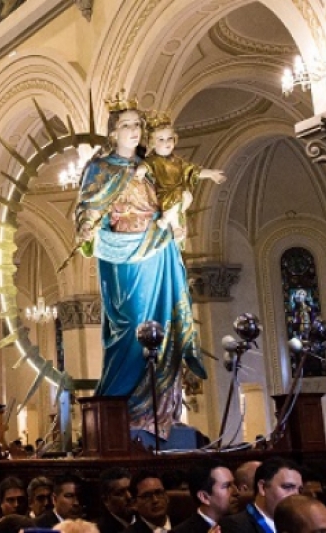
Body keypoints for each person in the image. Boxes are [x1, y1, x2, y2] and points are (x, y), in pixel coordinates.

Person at [75, 93, 206, 438]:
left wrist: (177, 222)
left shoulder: (153, 167)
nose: (134, 131)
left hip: (158, 248)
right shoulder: (99, 168)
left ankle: (159, 411)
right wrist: (88, 223)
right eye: (127, 125)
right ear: (113, 132)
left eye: (138, 125)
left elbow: (174, 198)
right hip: (122, 253)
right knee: (131, 325)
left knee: (163, 327)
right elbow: (88, 206)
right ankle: (121, 412)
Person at [137, 112, 226, 249]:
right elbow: (145, 166)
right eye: (161, 139)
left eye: (169, 138)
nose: (166, 142)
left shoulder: (178, 162)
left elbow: (193, 170)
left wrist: (210, 174)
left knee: (186, 195)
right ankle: (169, 222)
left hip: (178, 196)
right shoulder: (153, 160)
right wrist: (141, 170)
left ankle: (172, 221)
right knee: (180, 194)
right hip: (163, 194)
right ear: (152, 143)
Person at [219, 457, 303, 533]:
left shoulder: (299, 525)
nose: (296, 495)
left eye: (299, 490)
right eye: (287, 487)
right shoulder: (233, 526)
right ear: (262, 487)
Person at [172, 460, 237, 532]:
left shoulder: (243, 525)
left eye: (235, 484)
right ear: (204, 497)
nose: (236, 492)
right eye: (227, 486)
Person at [97, 468, 133, 533]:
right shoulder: (99, 530)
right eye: (120, 493)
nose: (129, 496)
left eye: (131, 490)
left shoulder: (146, 520)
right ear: (106, 500)